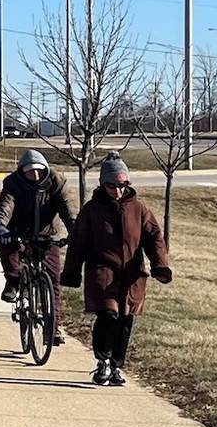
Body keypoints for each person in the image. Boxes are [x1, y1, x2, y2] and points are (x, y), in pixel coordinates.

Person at [62, 152, 173, 386]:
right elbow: (78, 242)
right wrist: (71, 272)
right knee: (108, 315)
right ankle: (102, 362)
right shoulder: (92, 210)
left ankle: (116, 366)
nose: (118, 190)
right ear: (103, 184)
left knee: (125, 320)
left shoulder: (140, 210)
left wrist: (160, 265)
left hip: (132, 275)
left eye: (123, 185)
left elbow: (154, 238)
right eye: (112, 185)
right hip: (102, 272)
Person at [0, 149, 74, 308]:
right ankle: (13, 282)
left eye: (39, 171)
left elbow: (67, 209)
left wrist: (75, 231)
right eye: (30, 172)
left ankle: (54, 329)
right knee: (7, 247)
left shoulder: (57, 181)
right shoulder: (13, 183)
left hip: (48, 235)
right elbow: (5, 206)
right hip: (19, 232)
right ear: (22, 172)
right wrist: (1, 227)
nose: (36, 175)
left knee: (54, 281)